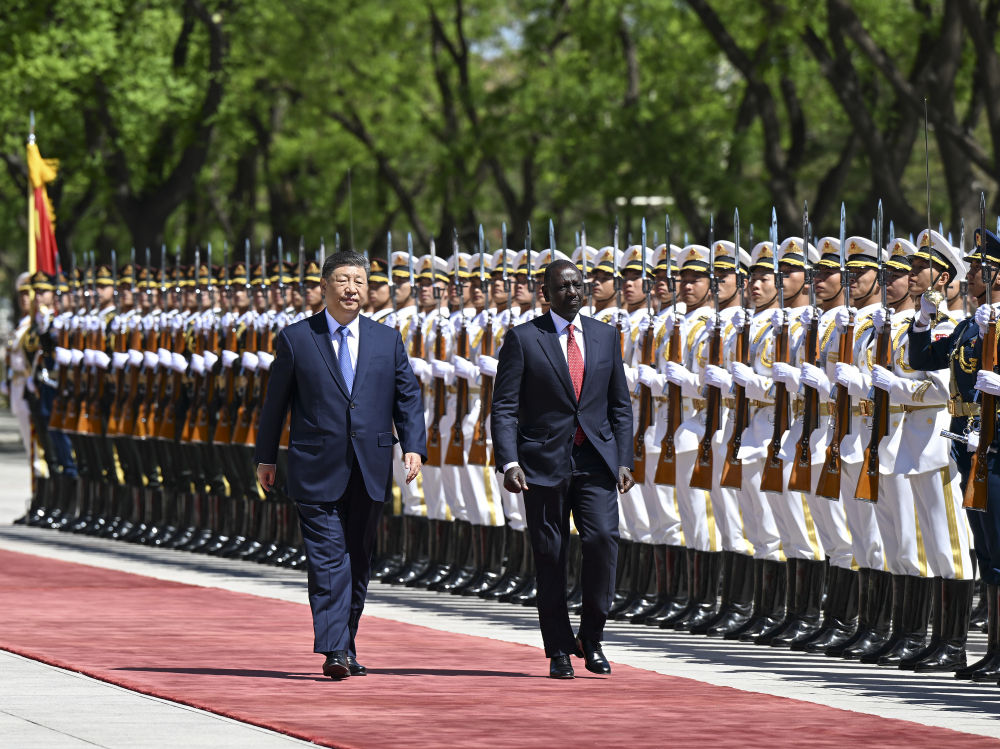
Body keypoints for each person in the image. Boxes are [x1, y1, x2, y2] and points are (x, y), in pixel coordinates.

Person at [254, 250, 426, 680]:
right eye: (343, 280)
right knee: (329, 558)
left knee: (359, 559)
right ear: (325, 286)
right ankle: (333, 648)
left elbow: (407, 396)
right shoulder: (297, 338)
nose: (352, 289)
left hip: (370, 465)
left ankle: (346, 643)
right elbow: (275, 404)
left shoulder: (386, 339)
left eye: (359, 281)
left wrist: (413, 446)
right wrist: (266, 457)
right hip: (316, 465)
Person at [491, 258, 635, 679]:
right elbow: (504, 407)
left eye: (577, 285)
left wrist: (624, 459)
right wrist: (510, 461)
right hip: (542, 464)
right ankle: (558, 647)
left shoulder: (605, 336)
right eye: (563, 287)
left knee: (603, 540)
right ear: (546, 294)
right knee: (550, 555)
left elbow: (620, 405)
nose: (572, 292)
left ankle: (592, 637)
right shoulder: (523, 338)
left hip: (595, 460)